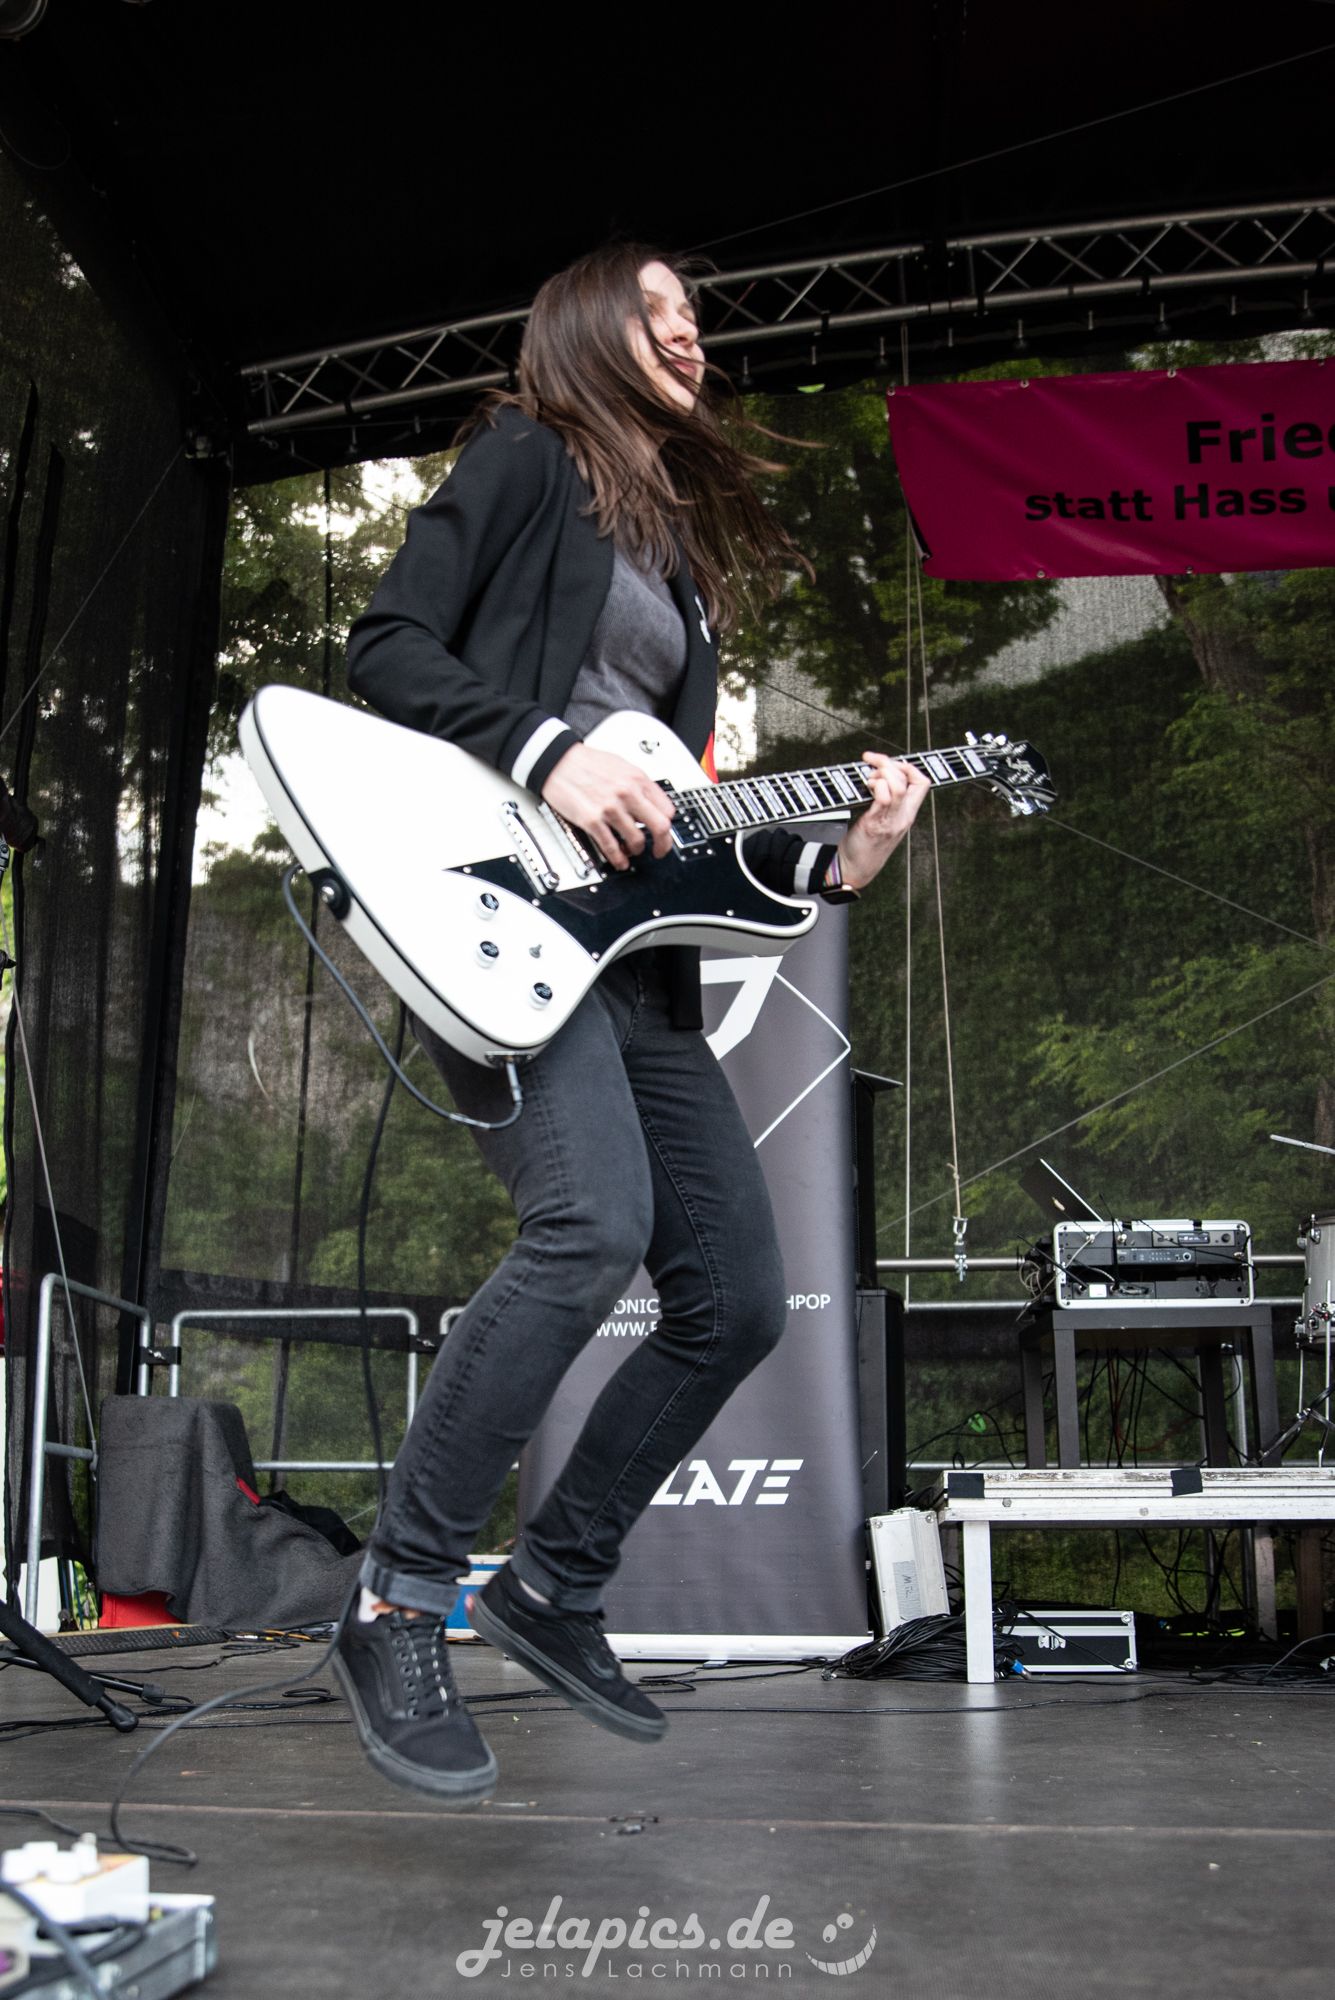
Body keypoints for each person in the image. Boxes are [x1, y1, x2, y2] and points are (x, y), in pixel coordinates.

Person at [334, 243, 930, 1806]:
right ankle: (397, 1601)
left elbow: (687, 832)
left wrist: (840, 860)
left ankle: (553, 1587)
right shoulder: (522, 458)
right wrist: (544, 750)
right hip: (493, 915)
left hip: (633, 958)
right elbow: (387, 645)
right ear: (590, 329)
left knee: (736, 1299)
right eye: (660, 313)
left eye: (698, 320)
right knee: (588, 1225)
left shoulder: (676, 564)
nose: (690, 337)